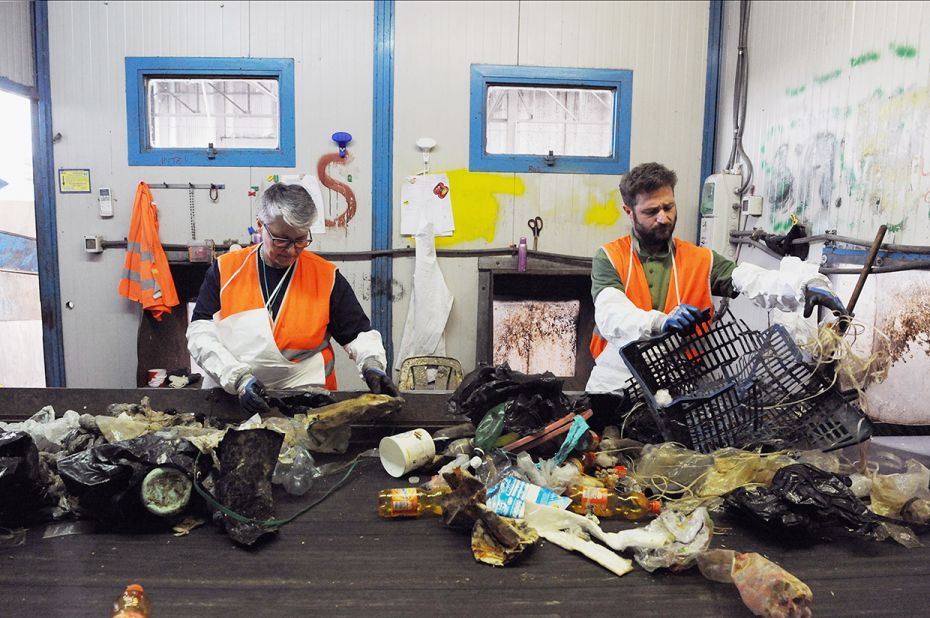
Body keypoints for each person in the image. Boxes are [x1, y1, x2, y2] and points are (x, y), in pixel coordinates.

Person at [586, 161, 846, 395]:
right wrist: (661, 321)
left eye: (668, 207)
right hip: (616, 383)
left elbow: (748, 277)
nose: (663, 218)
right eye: (651, 211)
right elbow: (612, 313)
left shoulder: (700, 259)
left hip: (676, 386)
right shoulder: (610, 257)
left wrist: (805, 285)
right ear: (629, 212)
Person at [187, 182, 398, 414]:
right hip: (236, 398)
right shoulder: (226, 270)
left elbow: (357, 333)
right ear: (260, 225)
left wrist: (372, 364)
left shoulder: (326, 276)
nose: (291, 250)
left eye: (300, 240)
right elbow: (200, 332)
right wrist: (236, 378)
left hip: (307, 405)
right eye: (281, 240)